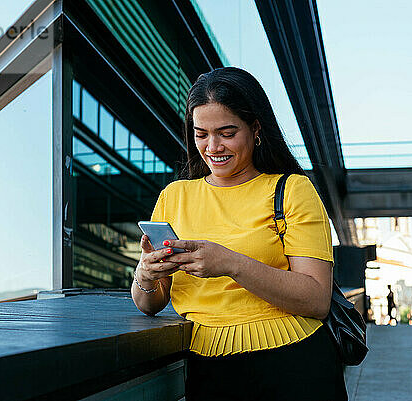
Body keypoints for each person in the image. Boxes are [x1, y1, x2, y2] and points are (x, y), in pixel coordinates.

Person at [131, 67, 347, 400]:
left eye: (227, 132)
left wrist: (231, 263)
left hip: (295, 363)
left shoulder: (292, 190)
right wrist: (145, 273)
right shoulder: (175, 197)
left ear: (256, 129)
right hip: (204, 368)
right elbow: (149, 304)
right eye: (201, 134)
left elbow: (317, 299)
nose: (212, 146)